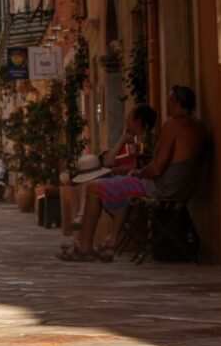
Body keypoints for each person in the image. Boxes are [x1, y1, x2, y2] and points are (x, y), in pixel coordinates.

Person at [58, 87, 205, 262]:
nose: (166, 103)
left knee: (93, 188)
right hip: (183, 189)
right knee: (117, 187)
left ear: (177, 102)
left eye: (169, 100)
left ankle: (85, 248)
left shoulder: (173, 124)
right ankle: (107, 243)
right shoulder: (198, 126)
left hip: (162, 187)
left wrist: (139, 172)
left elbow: (156, 169)